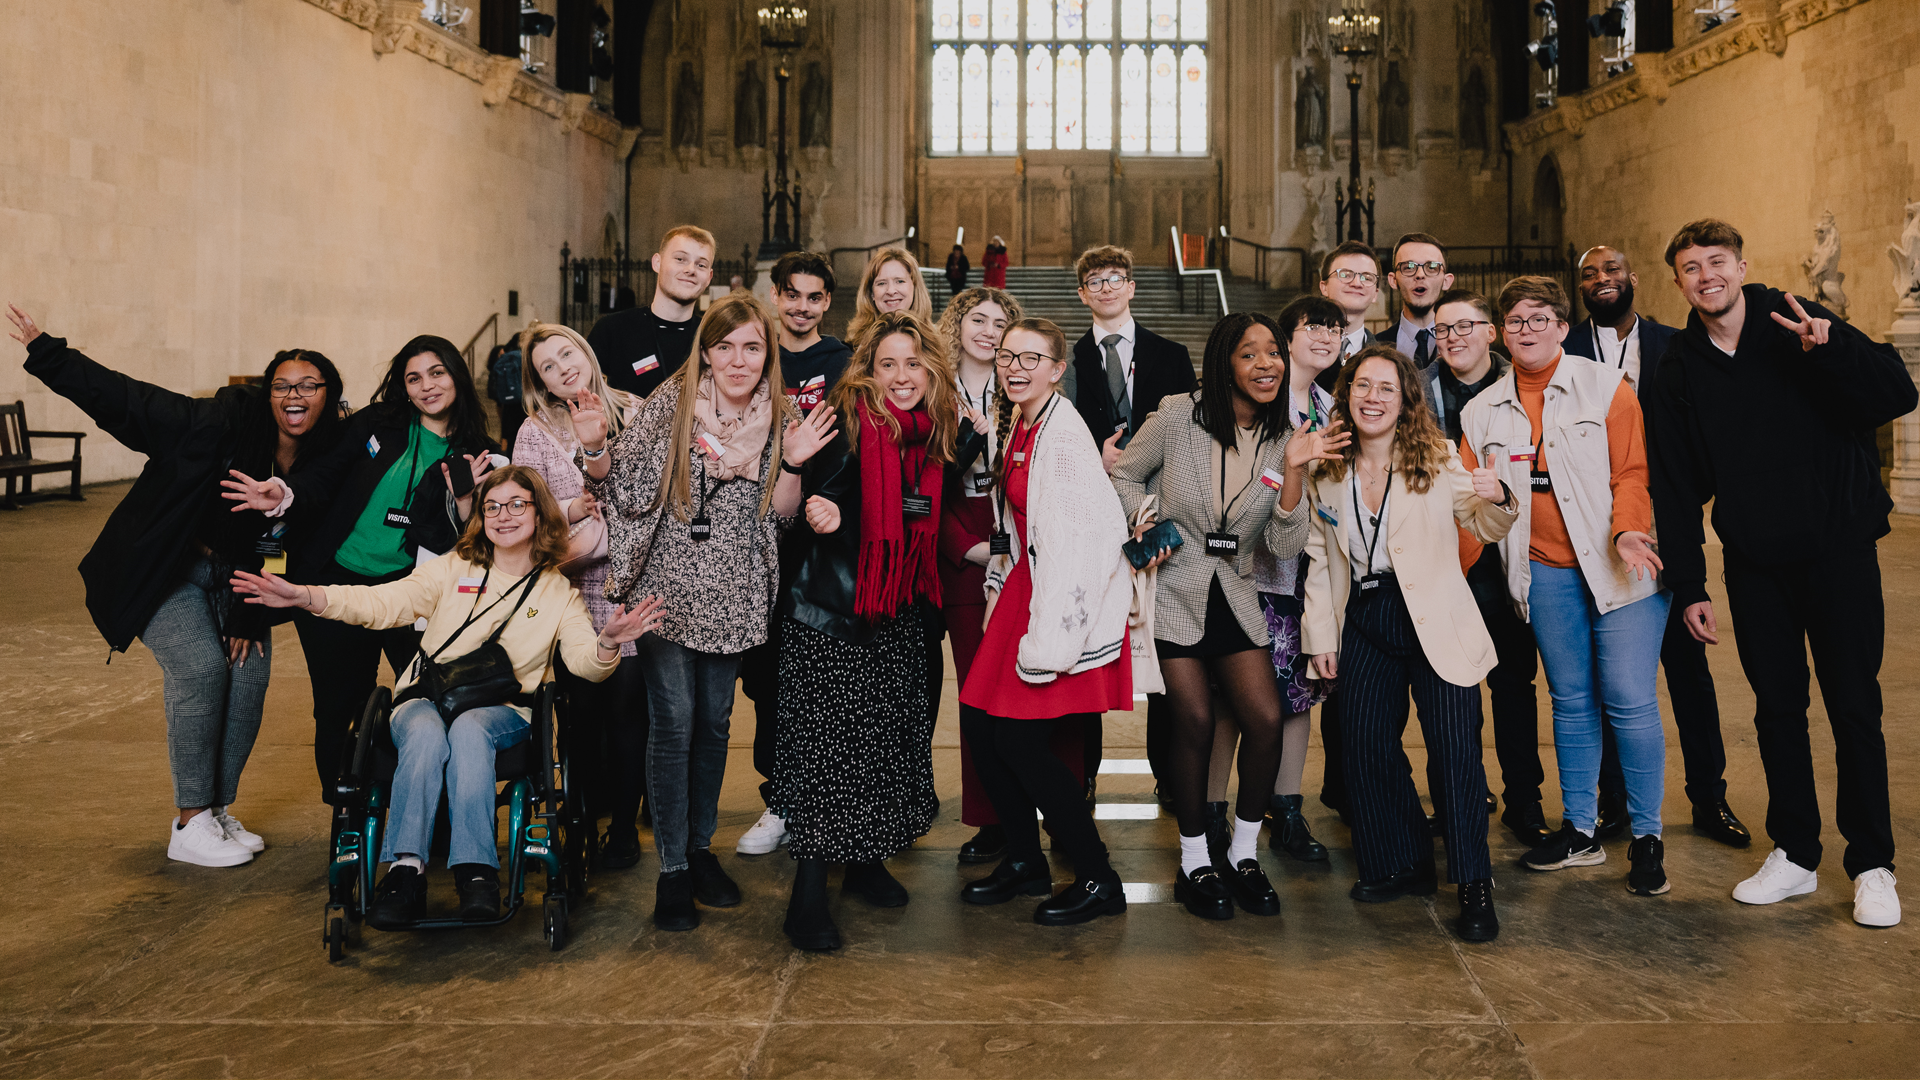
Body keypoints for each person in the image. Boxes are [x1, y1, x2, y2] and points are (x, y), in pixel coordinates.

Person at [231, 468, 663, 923]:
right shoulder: (453, 567)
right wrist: (306, 596)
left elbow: (584, 664)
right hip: (426, 697)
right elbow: (384, 603)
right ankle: (406, 870)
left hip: (503, 712)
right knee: (424, 728)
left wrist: (609, 641)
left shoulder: (558, 593)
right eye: (492, 506)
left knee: (471, 728)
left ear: (541, 515)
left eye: (518, 504)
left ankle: (475, 871)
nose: (503, 515)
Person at [1646, 218, 1916, 928]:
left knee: (1854, 707)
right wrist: (1691, 585)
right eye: (1691, 268)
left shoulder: (1797, 320)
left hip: (1838, 549)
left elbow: (1894, 395)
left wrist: (1831, 351)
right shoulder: (1678, 367)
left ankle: (1873, 864)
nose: (1706, 276)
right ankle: (1795, 853)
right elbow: (1675, 485)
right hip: (1756, 562)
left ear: (1741, 266)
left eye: (1717, 262)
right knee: (1777, 710)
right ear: (1679, 282)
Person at [9, 306, 346, 866]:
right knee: (201, 668)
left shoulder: (327, 459)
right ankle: (188, 820)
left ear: (329, 396)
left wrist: (248, 614)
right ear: (266, 394)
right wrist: (50, 354)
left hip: (244, 583)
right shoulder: (215, 426)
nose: (295, 395)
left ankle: (214, 809)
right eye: (282, 384)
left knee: (248, 673)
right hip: (169, 571)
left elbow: (289, 545)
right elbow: (127, 399)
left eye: (310, 385)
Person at [577, 293, 839, 931]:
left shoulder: (780, 416)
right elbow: (626, 490)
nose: (738, 359)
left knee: (716, 724)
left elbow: (777, 515)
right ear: (707, 352)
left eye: (752, 347)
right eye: (725, 346)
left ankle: (699, 851)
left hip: (736, 590)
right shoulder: (671, 405)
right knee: (675, 721)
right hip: (667, 588)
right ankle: (671, 870)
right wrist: (595, 450)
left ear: (767, 353)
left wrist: (797, 462)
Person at [1112, 311, 1346, 921]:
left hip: (1237, 594)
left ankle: (1243, 853)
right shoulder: (1174, 417)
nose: (1267, 363)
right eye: (1251, 354)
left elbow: (1287, 544)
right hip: (1174, 592)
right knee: (1191, 720)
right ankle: (1194, 859)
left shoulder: (1282, 439)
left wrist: (1295, 470)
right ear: (1225, 363)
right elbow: (1124, 475)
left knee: (1266, 720)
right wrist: (1148, 518)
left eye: (1274, 353)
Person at [1458, 276, 1673, 897]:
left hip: (1620, 567)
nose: (1526, 330)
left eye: (1539, 318)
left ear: (1560, 325)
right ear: (1500, 333)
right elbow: (1472, 508)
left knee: (1630, 699)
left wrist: (1631, 530)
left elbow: (1633, 471)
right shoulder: (1482, 411)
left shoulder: (1607, 387)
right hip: (1544, 571)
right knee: (1571, 700)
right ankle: (1580, 831)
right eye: (1515, 321)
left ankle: (1646, 838)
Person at [1302, 344, 1516, 941]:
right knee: (1364, 744)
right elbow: (1320, 556)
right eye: (1363, 387)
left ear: (1405, 400)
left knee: (1454, 755)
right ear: (1346, 395)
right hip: (1366, 617)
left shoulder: (1437, 456)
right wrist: (1321, 633)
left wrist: (1496, 498)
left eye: (1387, 389)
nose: (1373, 398)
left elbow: (1481, 522)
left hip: (1433, 617)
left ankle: (1474, 885)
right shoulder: (1329, 467)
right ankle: (1403, 861)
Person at [771, 310, 961, 950]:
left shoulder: (935, 433)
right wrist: (819, 506)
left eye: (913, 364)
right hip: (829, 613)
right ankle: (807, 893)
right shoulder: (842, 420)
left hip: (900, 612)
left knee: (886, 741)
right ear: (867, 371)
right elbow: (795, 506)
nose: (901, 377)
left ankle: (867, 859)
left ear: (932, 368)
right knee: (827, 750)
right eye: (888, 365)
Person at [1566, 244, 1747, 848]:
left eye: (1611, 270)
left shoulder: (1677, 344)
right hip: (1598, 540)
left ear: (1634, 279)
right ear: (1581, 289)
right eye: (1590, 274)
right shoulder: (1565, 354)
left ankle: (1708, 798)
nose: (1602, 280)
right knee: (1611, 680)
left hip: (1668, 533)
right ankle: (1612, 802)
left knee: (1688, 672)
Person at [957, 317, 1135, 927]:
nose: (1015, 367)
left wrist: (1052, 638)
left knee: (1019, 741)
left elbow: (1084, 540)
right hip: (1023, 590)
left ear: (1058, 369)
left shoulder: (1063, 435)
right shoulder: (1018, 422)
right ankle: (1027, 860)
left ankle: (1097, 875)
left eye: (1031, 359)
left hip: (1060, 596)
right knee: (982, 727)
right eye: (1008, 357)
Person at [286, 335, 501, 809]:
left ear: (456, 375)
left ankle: (425, 812)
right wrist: (286, 494)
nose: (427, 386)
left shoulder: (478, 452)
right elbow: (324, 474)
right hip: (336, 578)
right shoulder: (376, 424)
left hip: (415, 594)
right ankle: (347, 812)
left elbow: (471, 540)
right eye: (414, 378)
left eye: (437, 373)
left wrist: (465, 504)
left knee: (429, 701)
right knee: (339, 706)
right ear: (403, 387)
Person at [934, 286, 1086, 868]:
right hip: (964, 549)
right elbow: (922, 487)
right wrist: (966, 548)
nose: (990, 330)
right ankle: (996, 820)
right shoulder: (935, 388)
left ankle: (1063, 817)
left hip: (1029, 552)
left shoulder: (1025, 392)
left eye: (1002, 322)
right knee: (981, 700)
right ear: (959, 323)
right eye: (979, 319)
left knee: (1046, 689)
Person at [511, 322, 651, 869]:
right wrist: (568, 510)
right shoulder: (533, 432)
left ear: (585, 353)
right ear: (541, 383)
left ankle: (622, 824)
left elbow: (656, 489)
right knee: (581, 713)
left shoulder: (634, 410)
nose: (563, 367)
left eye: (567, 354)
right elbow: (525, 510)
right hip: (571, 591)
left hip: (634, 583)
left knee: (628, 714)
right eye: (548, 366)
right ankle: (582, 816)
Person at [1068, 243, 1198, 797]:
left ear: (1132, 286)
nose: (1105, 287)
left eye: (1115, 277)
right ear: (1082, 294)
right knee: (1091, 645)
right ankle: (1084, 773)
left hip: (1160, 512)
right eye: (1094, 280)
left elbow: (1193, 436)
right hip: (1091, 515)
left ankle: (1169, 775)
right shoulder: (1067, 360)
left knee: (1165, 646)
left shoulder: (1170, 354)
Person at [738, 250, 855, 857]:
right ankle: (777, 796)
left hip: (821, 530)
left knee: (817, 671)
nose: (801, 306)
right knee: (764, 677)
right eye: (792, 294)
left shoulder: (843, 361)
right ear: (776, 296)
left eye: (813, 297)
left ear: (826, 302)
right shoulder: (754, 354)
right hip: (758, 528)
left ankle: (815, 798)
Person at [1424, 289, 1548, 847]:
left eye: (1465, 326)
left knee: (1514, 683)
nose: (1453, 337)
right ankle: (1461, 797)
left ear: (1490, 332)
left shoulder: (1516, 385)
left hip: (1513, 551)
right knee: (1454, 689)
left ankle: (1525, 799)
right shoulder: (1416, 389)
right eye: (1443, 329)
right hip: (1447, 556)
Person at [1251, 295, 1348, 862]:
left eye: (1333, 329)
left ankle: (1287, 808)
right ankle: (1219, 812)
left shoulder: (1334, 408)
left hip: (1308, 574)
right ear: (1286, 337)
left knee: (1299, 695)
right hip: (1252, 565)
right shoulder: (1259, 399)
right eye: (1312, 326)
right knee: (1234, 698)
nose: (1323, 336)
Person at [589, 225, 717, 400]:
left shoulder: (714, 337)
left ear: (709, 277)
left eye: (701, 264)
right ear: (657, 262)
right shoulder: (612, 330)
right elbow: (584, 397)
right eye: (680, 259)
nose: (690, 269)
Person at [1315, 240, 1387, 394]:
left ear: (1375, 294)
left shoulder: (1388, 360)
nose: (1356, 283)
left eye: (1367, 278)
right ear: (1324, 286)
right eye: (1345, 275)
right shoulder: (1299, 349)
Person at [1385, 233, 1455, 370]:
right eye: (1409, 267)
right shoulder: (1376, 344)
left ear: (1446, 281)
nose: (1420, 275)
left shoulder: (1462, 344)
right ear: (1393, 281)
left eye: (1431, 267)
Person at [845, 246, 934, 349]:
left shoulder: (936, 343)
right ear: (871, 293)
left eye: (900, 281)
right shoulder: (852, 347)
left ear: (914, 287)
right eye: (881, 283)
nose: (891, 291)